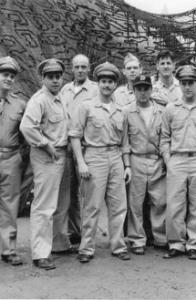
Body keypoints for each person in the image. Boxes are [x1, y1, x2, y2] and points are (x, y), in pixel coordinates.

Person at [69, 62, 131, 263]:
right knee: (92, 205)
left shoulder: (121, 110)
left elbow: (125, 142)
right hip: (94, 157)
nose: (107, 85)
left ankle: (118, 245)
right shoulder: (86, 106)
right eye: (103, 81)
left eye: (111, 82)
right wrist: (81, 163)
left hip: (115, 157)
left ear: (115, 84)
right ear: (98, 83)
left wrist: (127, 165)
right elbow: (75, 136)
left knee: (118, 205)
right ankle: (86, 248)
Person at [160, 64, 196, 260]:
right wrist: (168, 159)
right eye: (184, 83)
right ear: (179, 84)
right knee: (175, 204)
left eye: (191, 83)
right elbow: (164, 137)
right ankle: (175, 243)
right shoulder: (171, 108)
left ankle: (195, 244)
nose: (187, 87)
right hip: (177, 160)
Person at [20, 58, 68, 270]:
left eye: (58, 76)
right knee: (44, 206)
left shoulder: (60, 98)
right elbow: (27, 127)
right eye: (50, 77)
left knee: (59, 204)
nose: (55, 80)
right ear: (43, 78)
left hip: (62, 155)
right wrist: (45, 144)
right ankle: (40, 254)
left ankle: (58, 244)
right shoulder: (39, 100)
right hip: (47, 156)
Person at [54, 54, 98, 250]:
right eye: (77, 67)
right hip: (66, 147)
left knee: (88, 193)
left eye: (84, 67)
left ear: (89, 69)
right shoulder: (64, 90)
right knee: (69, 193)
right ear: (72, 69)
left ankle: (89, 236)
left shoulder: (96, 89)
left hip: (87, 147)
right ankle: (75, 232)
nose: (80, 70)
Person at [125, 75, 167, 255]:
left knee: (160, 200)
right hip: (136, 159)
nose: (142, 93)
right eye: (139, 89)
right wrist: (127, 164)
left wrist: (166, 159)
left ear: (151, 90)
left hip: (156, 159)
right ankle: (137, 239)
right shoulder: (127, 112)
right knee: (135, 202)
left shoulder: (162, 111)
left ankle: (160, 237)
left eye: (146, 88)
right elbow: (124, 141)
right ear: (133, 91)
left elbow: (165, 137)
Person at [0, 56, 25, 266]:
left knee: (9, 205)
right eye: (4, 74)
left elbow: (25, 134)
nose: (8, 79)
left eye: (11, 75)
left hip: (10, 158)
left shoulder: (19, 104)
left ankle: (8, 249)